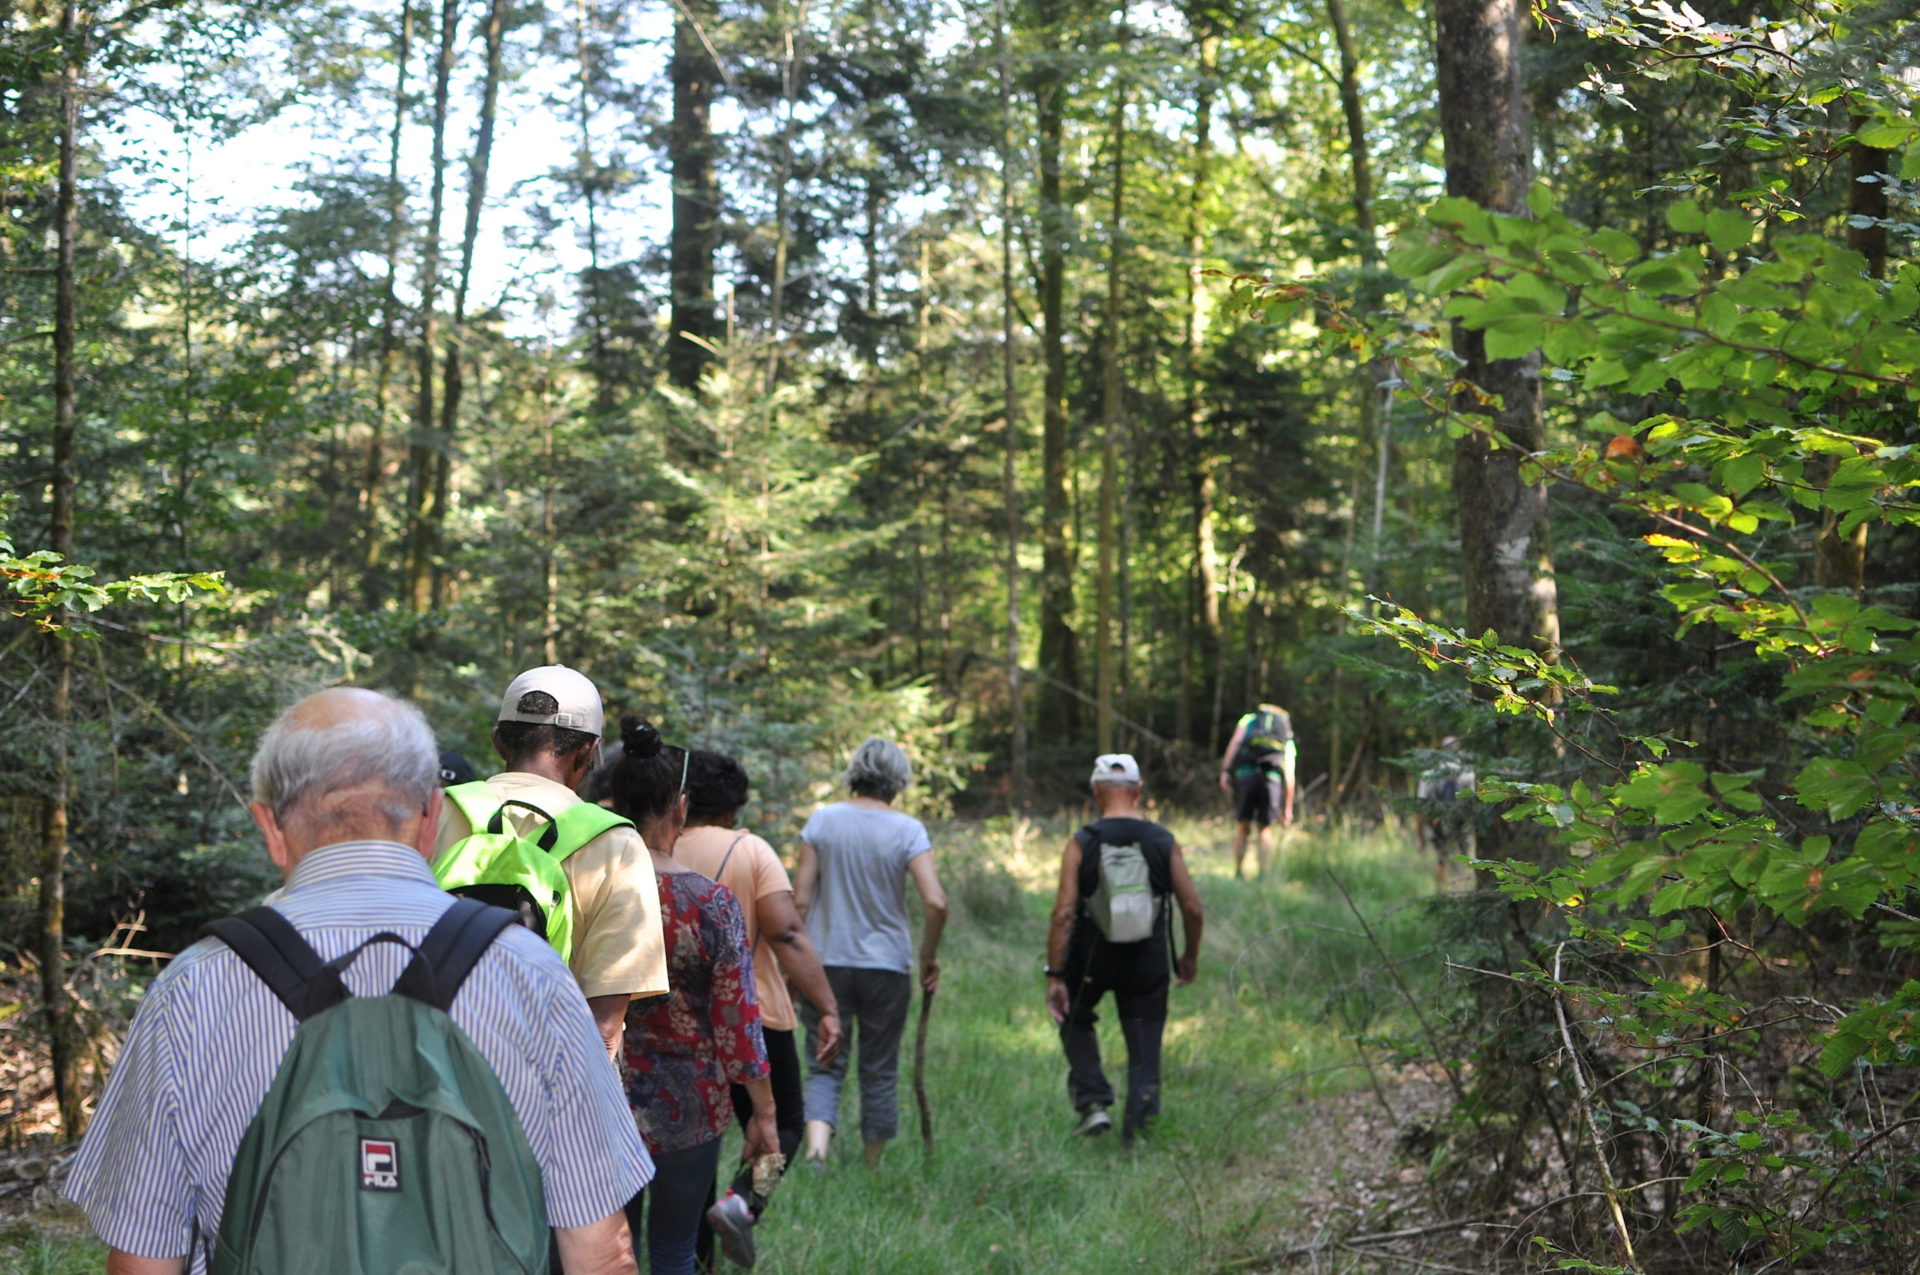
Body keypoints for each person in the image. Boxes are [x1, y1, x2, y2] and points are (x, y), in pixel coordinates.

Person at [64, 688, 649, 1275]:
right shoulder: (534, 976)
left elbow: (144, 1261)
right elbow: (601, 1253)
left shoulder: (191, 991)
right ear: (429, 818)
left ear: (268, 827)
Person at [604, 717, 777, 1275]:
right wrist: (765, 1114)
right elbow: (737, 1025)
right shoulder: (712, 904)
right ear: (681, 808)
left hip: (604, 1094)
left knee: (610, 1247)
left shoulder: (586, 887)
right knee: (675, 1249)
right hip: (693, 1103)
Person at [435, 664, 668, 1057]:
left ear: (499, 743)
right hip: (543, 1073)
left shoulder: (433, 813)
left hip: (436, 1066)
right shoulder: (616, 843)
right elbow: (605, 1025)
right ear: (588, 752)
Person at [672, 749, 842, 1267]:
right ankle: (745, 1200)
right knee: (785, 1126)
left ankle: (697, 1258)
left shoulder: (658, 844)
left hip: (677, 1022)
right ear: (732, 808)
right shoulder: (750, 851)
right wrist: (826, 1005)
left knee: (697, 1144)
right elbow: (787, 932)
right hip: (754, 1017)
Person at [794, 736, 947, 1169]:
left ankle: (817, 1151)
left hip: (825, 962)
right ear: (898, 780)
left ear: (854, 772)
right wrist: (928, 956)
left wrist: (794, 964)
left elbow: (800, 902)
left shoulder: (822, 823)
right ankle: (873, 1164)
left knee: (824, 1060)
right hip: (887, 965)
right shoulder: (908, 830)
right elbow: (936, 902)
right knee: (879, 1067)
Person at [1047, 753, 1205, 1146]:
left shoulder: (1082, 842)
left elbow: (1064, 913)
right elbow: (1193, 908)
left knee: (1073, 1015)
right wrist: (1189, 957)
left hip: (1091, 959)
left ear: (1095, 792)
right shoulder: (1162, 841)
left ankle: (1094, 1101)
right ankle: (1139, 1134)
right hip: (1146, 959)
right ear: (1138, 791)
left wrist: (1056, 974)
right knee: (1144, 1039)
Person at [1218, 702, 1297, 878]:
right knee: (1265, 830)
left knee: (1242, 827)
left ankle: (1238, 872)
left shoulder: (1250, 720)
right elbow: (1290, 775)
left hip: (1246, 776)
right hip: (1271, 780)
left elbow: (1236, 742)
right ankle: (1263, 874)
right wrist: (1288, 808)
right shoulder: (1284, 731)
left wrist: (1225, 771)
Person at [1414, 736, 1476, 889]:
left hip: (1438, 826)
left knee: (1441, 859)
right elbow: (1475, 803)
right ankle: (1462, 891)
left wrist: (1420, 837)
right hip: (1461, 826)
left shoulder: (1429, 774)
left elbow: (1420, 808)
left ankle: (1441, 893)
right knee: (1463, 860)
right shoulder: (1467, 773)